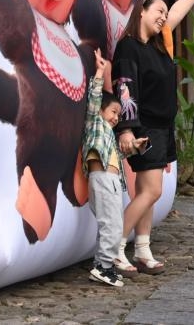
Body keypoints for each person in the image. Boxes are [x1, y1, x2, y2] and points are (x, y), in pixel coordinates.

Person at [111, 0, 194, 276]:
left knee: (146, 190)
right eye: (158, 11)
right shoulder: (129, 47)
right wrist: (127, 130)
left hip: (163, 128)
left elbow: (176, 13)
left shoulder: (159, 46)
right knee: (152, 191)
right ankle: (112, 248)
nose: (163, 17)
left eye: (165, 14)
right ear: (141, 11)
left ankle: (142, 249)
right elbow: (124, 89)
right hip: (144, 128)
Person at [83, 48, 143, 288]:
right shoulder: (95, 122)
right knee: (112, 225)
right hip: (103, 179)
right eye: (113, 112)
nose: (117, 118)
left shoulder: (109, 134)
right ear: (100, 111)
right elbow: (94, 97)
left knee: (111, 224)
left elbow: (118, 155)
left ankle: (102, 265)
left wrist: (136, 147)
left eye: (119, 114)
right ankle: (104, 267)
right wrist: (100, 71)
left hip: (113, 182)